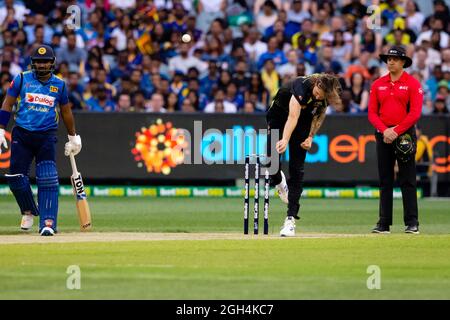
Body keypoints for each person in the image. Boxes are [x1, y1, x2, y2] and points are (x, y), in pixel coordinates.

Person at [0, 45, 82, 236]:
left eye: (45, 61)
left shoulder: (59, 85)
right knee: (15, 178)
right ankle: (28, 210)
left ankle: (48, 223)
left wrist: (73, 136)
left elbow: (66, 112)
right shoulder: (21, 79)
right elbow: (8, 103)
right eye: (38, 61)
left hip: (46, 136)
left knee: (47, 179)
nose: (42, 65)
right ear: (33, 62)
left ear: (52, 63)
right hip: (22, 133)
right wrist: (1, 128)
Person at [266, 73, 342, 237]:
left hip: (303, 120)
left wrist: (310, 137)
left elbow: (320, 114)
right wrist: (285, 139)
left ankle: (290, 219)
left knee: (297, 169)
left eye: (321, 97)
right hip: (279, 115)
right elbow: (293, 116)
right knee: (271, 162)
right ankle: (279, 183)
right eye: (317, 93)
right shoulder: (301, 85)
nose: (317, 97)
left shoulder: (326, 94)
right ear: (317, 84)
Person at [368, 45, 423, 234]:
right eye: (388, 59)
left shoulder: (413, 84)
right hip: (384, 135)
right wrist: (385, 131)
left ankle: (412, 222)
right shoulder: (377, 84)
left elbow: (415, 113)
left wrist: (396, 131)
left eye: (395, 59)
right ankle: (384, 223)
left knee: (407, 179)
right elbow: (372, 114)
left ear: (403, 63)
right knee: (385, 180)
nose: (390, 61)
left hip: (405, 135)